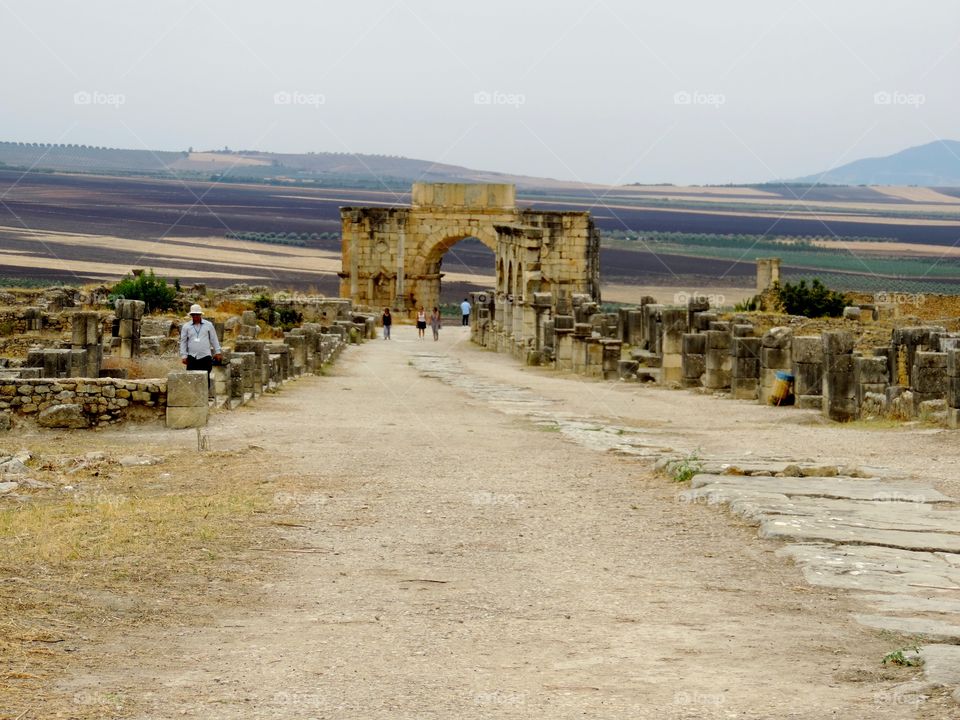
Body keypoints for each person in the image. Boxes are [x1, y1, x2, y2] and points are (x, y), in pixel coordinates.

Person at [179, 304, 222, 376]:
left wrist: (218, 352)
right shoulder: (186, 326)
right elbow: (183, 342)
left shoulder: (208, 325)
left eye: (197, 314)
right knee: (192, 378)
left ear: (200, 314)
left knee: (206, 378)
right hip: (192, 357)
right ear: (191, 315)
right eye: (193, 314)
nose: (195, 316)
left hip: (205, 356)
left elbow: (214, 339)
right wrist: (184, 356)